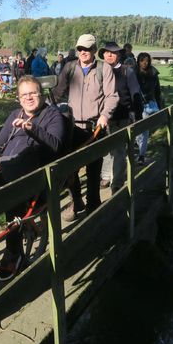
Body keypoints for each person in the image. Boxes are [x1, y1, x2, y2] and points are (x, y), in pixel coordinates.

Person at [0, 75, 66, 282]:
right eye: (24, 95)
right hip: (8, 169)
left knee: (13, 199)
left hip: (35, 175)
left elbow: (56, 145)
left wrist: (32, 129)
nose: (28, 98)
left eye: (33, 93)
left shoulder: (53, 116)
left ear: (40, 94)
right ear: (18, 98)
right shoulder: (15, 114)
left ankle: (14, 252)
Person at [53, 34, 118, 221]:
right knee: (70, 168)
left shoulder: (103, 69)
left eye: (87, 49)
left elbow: (112, 96)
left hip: (94, 127)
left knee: (93, 169)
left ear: (94, 50)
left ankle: (93, 207)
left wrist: (105, 115)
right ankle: (76, 201)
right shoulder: (70, 67)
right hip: (72, 127)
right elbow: (58, 93)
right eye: (80, 49)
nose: (83, 52)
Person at [98, 42, 144, 190]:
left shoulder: (126, 71)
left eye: (113, 53)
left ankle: (117, 182)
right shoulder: (99, 71)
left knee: (118, 151)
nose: (109, 55)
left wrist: (137, 115)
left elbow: (135, 94)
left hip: (121, 116)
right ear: (103, 54)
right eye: (107, 52)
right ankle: (105, 176)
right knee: (104, 149)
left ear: (119, 55)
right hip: (102, 118)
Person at [136, 52, 163, 165]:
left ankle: (142, 155)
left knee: (144, 131)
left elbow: (157, 91)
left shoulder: (153, 73)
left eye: (146, 60)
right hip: (135, 105)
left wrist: (160, 106)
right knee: (137, 131)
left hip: (148, 105)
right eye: (142, 60)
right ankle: (139, 148)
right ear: (138, 61)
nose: (144, 63)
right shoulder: (133, 72)